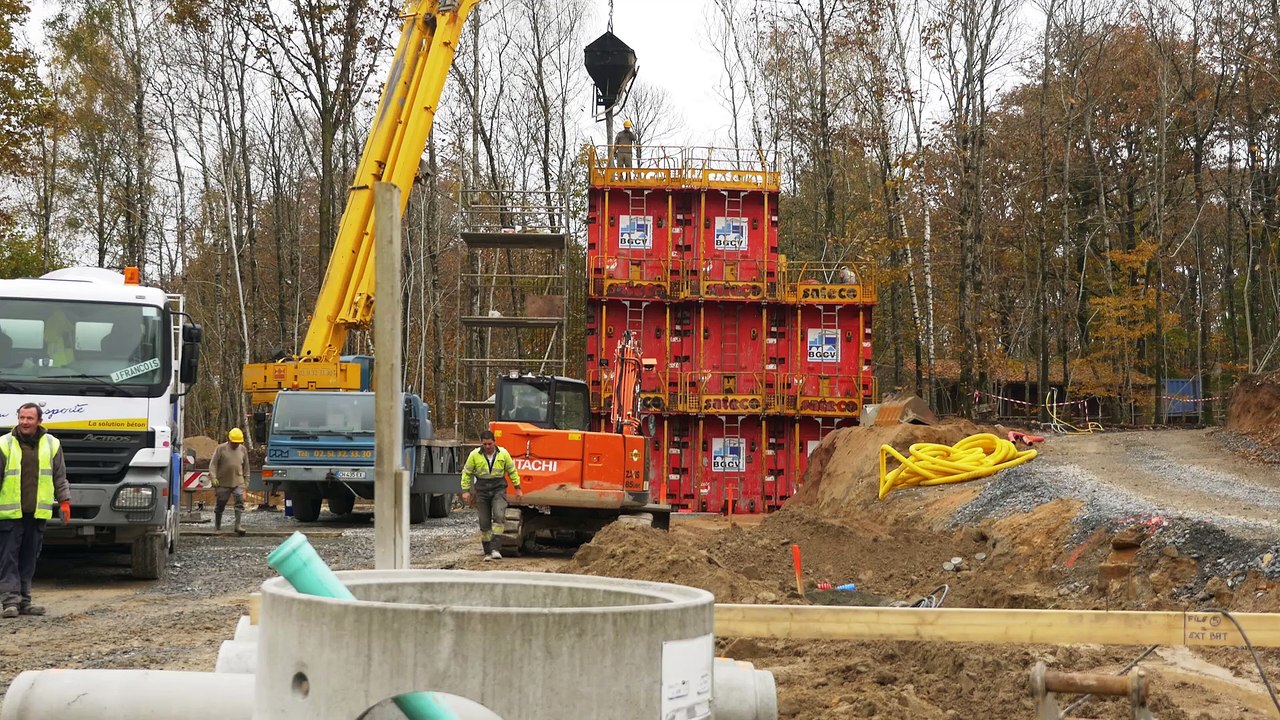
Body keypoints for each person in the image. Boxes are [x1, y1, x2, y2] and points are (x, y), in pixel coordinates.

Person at [0, 402, 71, 617]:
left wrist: (65, 501)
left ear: (39, 421)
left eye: (29, 418)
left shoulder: (52, 444)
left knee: (29, 558)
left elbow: (59, 476)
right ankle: (10, 602)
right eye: (21, 418)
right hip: (10, 514)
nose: (24, 422)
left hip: (36, 513)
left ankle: (25, 601)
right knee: (8, 558)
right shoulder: (4, 444)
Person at [460, 430, 522, 560]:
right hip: (482, 490)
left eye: (489, 444)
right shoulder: (474, 455)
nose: (487, 447)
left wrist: (518, 488)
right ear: (481, 443)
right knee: (484, 522)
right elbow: (467, 473)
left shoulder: (503, 454)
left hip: (498, 489)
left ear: (494, 442)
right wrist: (465, 490)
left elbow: (512, 471)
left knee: (499, 516)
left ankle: (495, 548)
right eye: (485, 444)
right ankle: (487, 551)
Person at [209, 428, 250, 536]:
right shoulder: (220, 449)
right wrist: (213, 477)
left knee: (239, 501)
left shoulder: (243, 450)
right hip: (223, 481)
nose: (236, 444)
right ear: (229, 440)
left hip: (238, 481)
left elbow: (246, 468)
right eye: (234, 442)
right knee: (220, 503)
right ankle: (217, 526)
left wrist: (245, 484)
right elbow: (213, 464)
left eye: (238, 443)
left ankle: (238, 526)